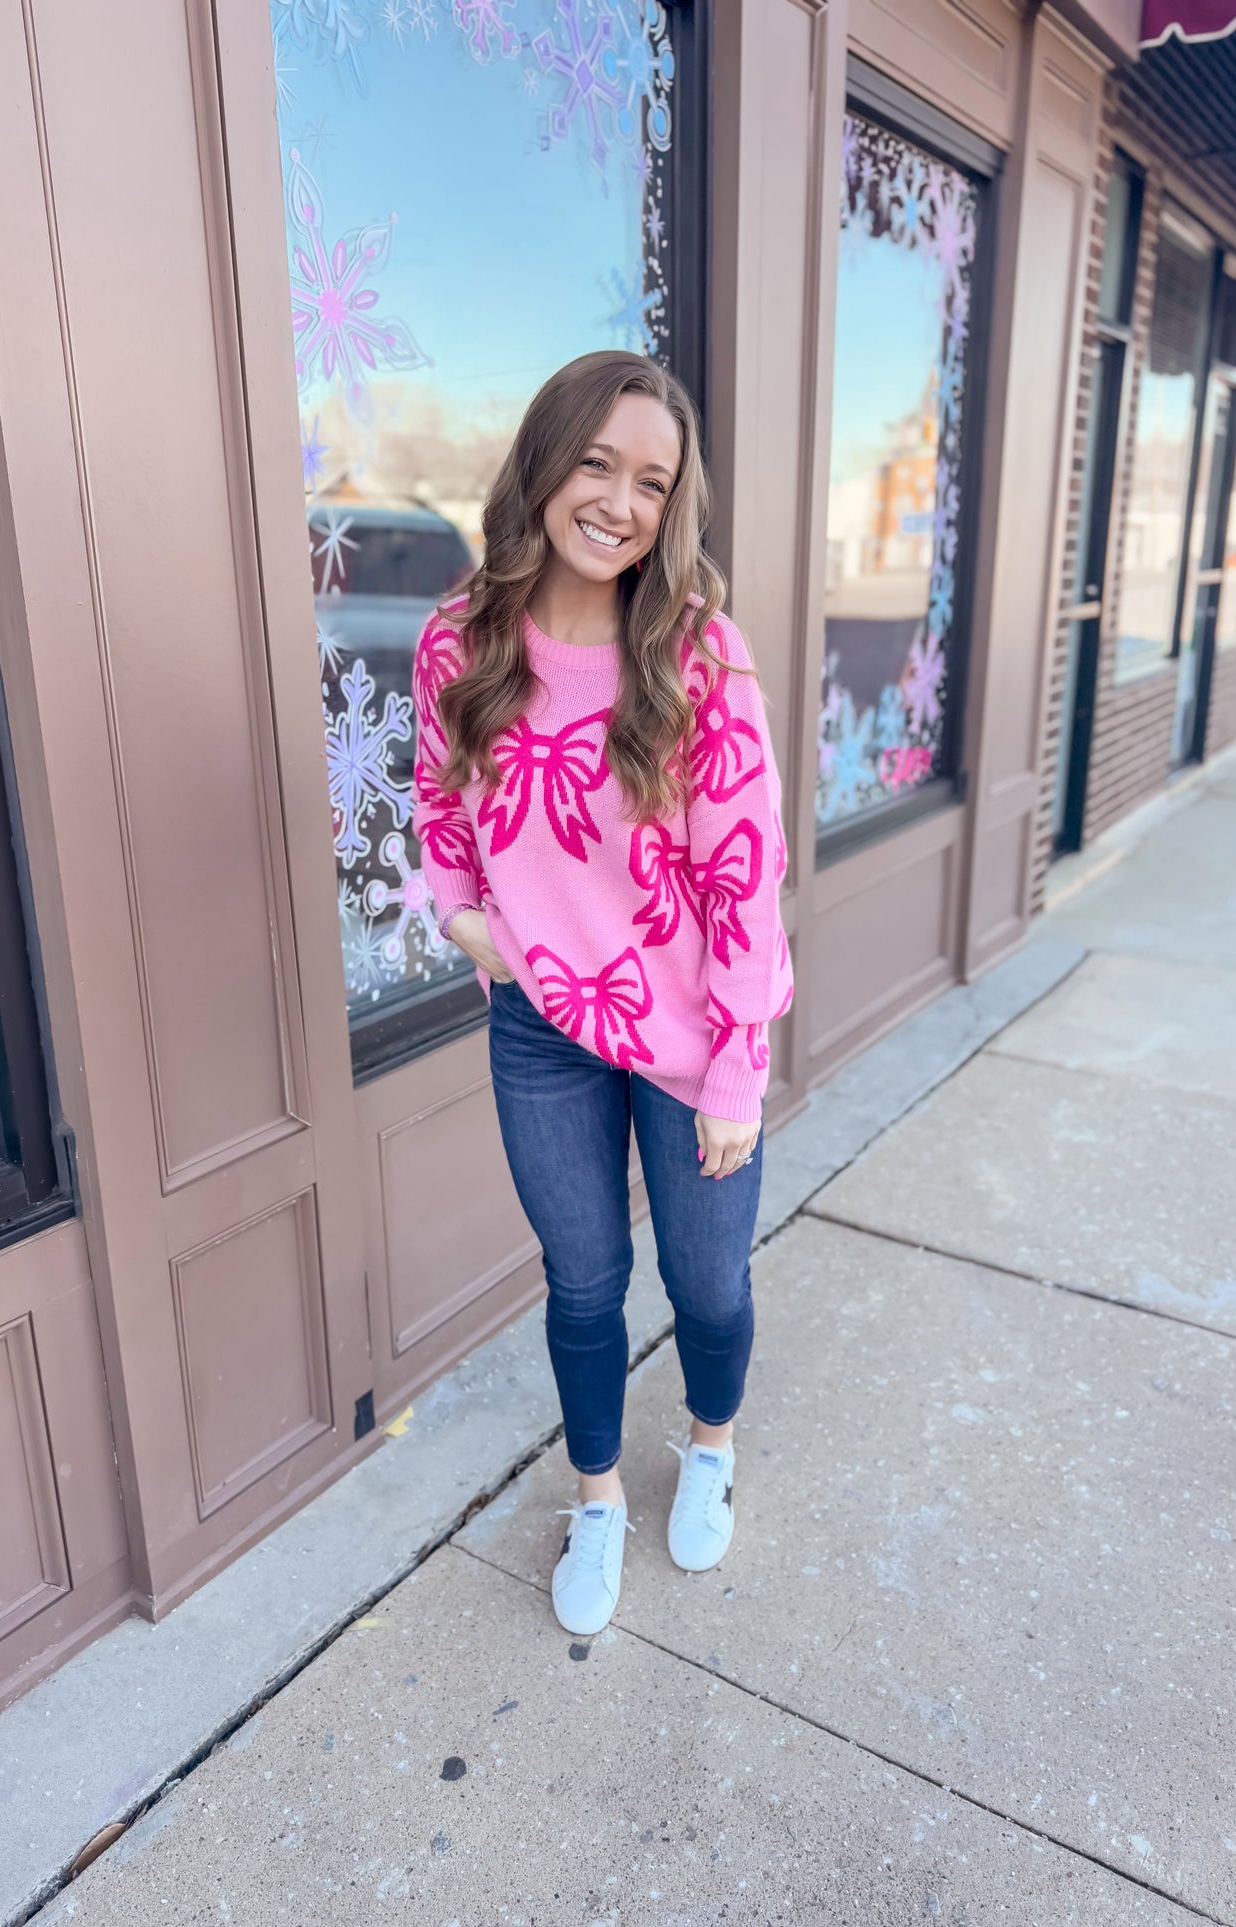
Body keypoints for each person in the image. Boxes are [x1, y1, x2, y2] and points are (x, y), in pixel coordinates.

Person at [410, 350, 793, 1637]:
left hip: (691, 1041)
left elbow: (747, 874)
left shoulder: (695, 654)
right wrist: (471, 921)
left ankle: (709, 1446)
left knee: (708, 1289)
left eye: (650, 480)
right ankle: (594, 1498)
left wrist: (739, 1062)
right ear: (543, 461)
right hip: (539, 1034)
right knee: (581, 1285)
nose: (618, 501)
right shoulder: (459, 637)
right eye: (595, 463)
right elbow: (437, 811)